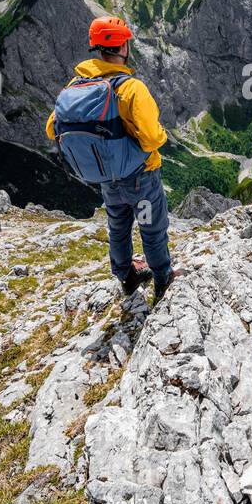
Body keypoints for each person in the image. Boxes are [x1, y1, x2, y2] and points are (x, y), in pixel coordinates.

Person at [46, 16, 175, 299]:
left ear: (97, 48)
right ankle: (163, 278)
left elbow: (51, 128)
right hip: (140, 179)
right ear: (124, 46)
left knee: (118, 227)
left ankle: (126, 277)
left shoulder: (75, 87)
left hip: (107, 179)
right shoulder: (130, 87)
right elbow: (152, 138)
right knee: (151, 227)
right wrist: (163, 134)